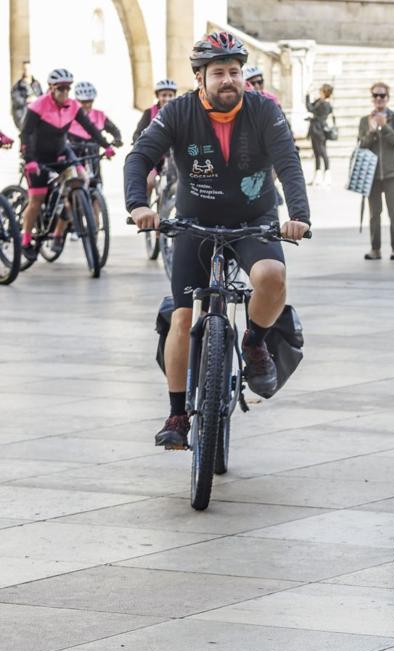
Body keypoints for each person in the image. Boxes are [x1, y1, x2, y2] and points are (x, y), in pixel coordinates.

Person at [124, 31, 310, 449]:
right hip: (193, 223)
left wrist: (297, 215)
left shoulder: (264, 111)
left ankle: (255, 342)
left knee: (271, 276)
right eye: (219, 73)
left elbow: (288, 162)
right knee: (183, 317)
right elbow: (139, 156)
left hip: (253, 221)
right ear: (200, 77)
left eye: (235, 72)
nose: (229, 80)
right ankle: (176, 414)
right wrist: (139, 205)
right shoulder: (178, 113)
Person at [19, 68, 114, 260]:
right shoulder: (38, 106)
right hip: (37, 157)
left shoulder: (73, 106)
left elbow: (90, 127)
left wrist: (106, 145)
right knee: (37, 197)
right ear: (51, 88)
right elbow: (26, 134)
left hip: (62, 154)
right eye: (60, 88)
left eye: (67, 89)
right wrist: (29, 160)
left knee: (78, 182)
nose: (64, 93)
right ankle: (26, 239)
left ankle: (60, 231)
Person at [358, 82, 394, 261]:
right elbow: (361, 144)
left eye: (382, 96)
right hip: (372, 174)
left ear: (387, 98)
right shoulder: (365, 120)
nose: (379, 99)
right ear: (372, 98)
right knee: (374, 213)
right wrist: (371, 131)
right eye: (376, 96)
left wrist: (384, 126)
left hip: (393, 172)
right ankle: (375, 248)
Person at [305, 83, 335, 186]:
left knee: (322, 151)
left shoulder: (325, 104)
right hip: (315, 129)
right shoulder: (320, 101)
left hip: (319, 130)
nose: (320, 92)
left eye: (321, 91)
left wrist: (307, 96)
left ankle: (327, 174)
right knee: (317, 153)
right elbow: (311, 108)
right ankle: (317, 175)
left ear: (325, 92)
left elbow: (311, 109)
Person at [10, 61, 42, 131]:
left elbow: (42, 98)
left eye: (29, 69)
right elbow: (15, 100)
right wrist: (27, 100)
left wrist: (36, 99)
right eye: (25, 69)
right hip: (24, 117)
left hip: (36, 118)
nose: (27, 71)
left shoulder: (37, 84)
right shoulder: (18, 86)